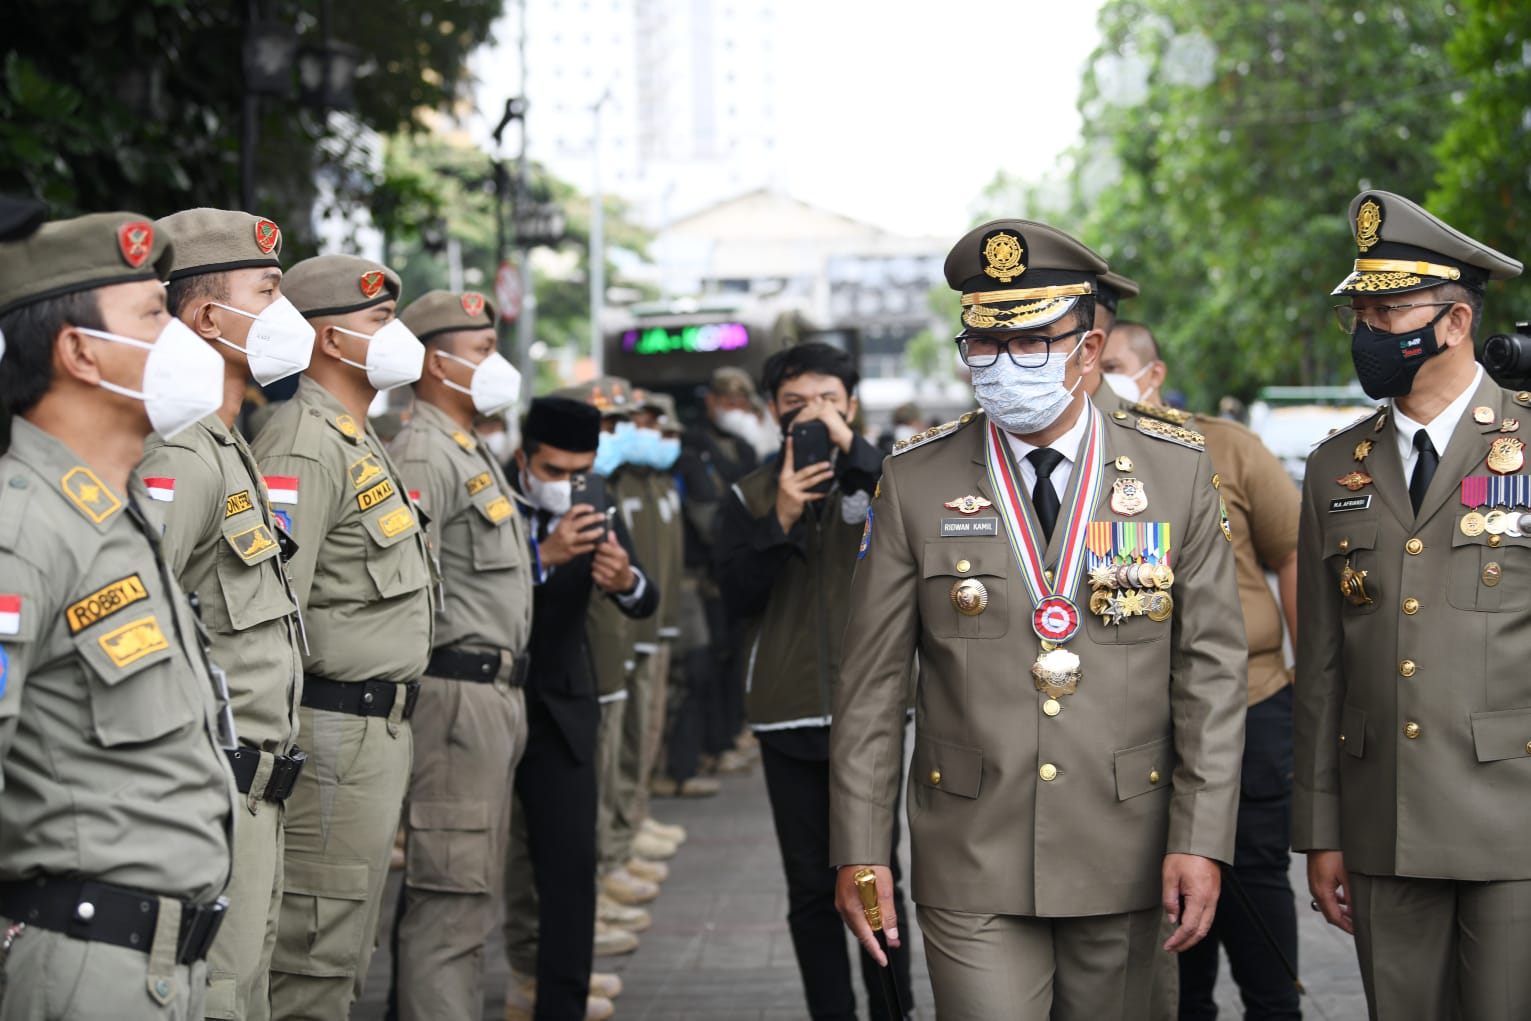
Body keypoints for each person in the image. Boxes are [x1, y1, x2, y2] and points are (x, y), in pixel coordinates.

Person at [831, 218, 1247, 1019]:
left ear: (1087, 351)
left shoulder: (1174, 469)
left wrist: (1201, 836)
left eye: (1027, 344)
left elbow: (1210, 672)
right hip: (970, 847)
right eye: (981, 346)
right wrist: (857, 847)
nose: (999, 367)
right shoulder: (916, 480)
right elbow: (871, 687)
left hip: (1126, 843)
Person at [1295, 190, 1529, 1020]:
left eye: (1387, 309)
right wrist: (1321, 829)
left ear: (1456, 322)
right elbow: (1320, 667)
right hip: (1381, 822)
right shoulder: (1332, 469)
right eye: (1358, 311)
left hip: (1514, 820)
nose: (1368, 331)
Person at [0, 212, 236, 1018]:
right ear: (78, 352)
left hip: (166, 969)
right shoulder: (21, 530)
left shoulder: (118, 512)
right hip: (85, 973)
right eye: (151, 314)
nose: (180, 336)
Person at [249, 255, 435, 1019]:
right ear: (328, 339)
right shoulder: (302, 440)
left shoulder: (355, 434)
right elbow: (276, 608)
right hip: (330, 729)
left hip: (373, 728)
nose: (397, 335)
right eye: (379, 321)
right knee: (313, 952)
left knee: (345, 946)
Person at [1103, 321, 1304, 1020]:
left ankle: (1275, 1006)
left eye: (1114, 365)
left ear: (1151, 374)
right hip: (1138, 721)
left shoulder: (1225, 447)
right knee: (1160, 900)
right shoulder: (1084, 460)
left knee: (1251, 878)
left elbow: (1291, 552)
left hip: (1248, 701)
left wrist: (1305, 677)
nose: (1098, 378)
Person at [139, 208, 309, 1021]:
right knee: (222, 1002)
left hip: (261, 796)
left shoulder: (231, 443)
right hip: (214, 795)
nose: (288, 315)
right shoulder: (181, 456)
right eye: (269, 292)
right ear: (208, 317)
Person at [716, 342, 911, 1021]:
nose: (813, 414)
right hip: (786, 712)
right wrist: (781, 521)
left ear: (851, 406)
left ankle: (893, 1009)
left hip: (871, 712)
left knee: (873, 877)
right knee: (808, 888)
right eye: (797, 403)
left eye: (828, 400)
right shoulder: (748, 495)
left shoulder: (885, 479)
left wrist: (851, 452)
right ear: (774, 413)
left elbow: (916, 542)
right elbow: (736, 594)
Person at [384, 289, 533, 1020]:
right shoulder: (421, 451)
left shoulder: (465, 445)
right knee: (449, 902)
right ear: (436, 362)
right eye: (479, 352)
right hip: (455, 696)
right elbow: (412, 587)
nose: (494, 365)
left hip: (491, 697)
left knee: (470, 898)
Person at [502, 396, 658, 1021]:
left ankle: (560, 1000)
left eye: (578, 470)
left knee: (570, 865)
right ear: (523, 459)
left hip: (564, 704)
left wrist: (625, 582)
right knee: (469, 865)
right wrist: (542, 560)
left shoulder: (596, 495)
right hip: (487, 698)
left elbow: (644, 595)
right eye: (552, 470)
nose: (566, 484)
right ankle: (512, 977)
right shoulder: (490, 497)